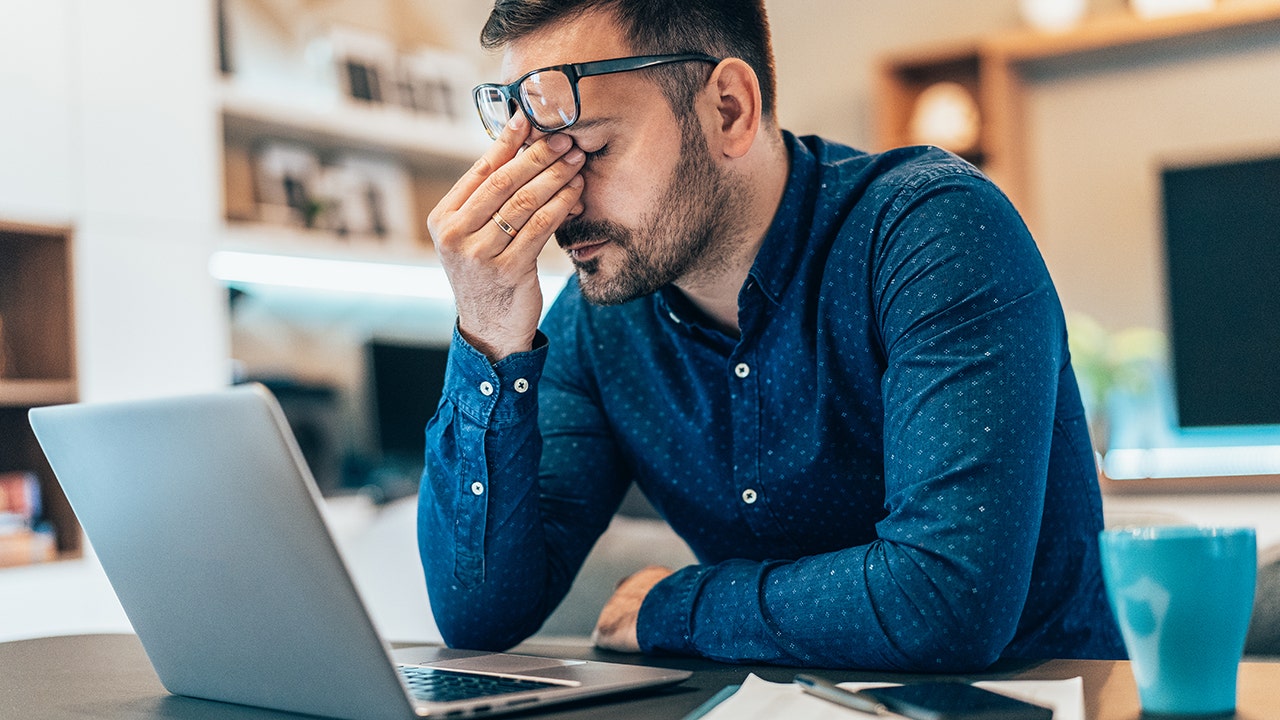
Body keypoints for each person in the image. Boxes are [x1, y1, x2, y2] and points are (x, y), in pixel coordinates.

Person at [419, 0, 1125, 670]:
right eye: (537, 164)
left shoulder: (934, 232)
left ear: (729, 109)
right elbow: (480, 618)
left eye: (592, 153)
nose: (559, 206)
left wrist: (679, 606)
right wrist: (487, 333)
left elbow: (945, 600)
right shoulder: (600, 322)